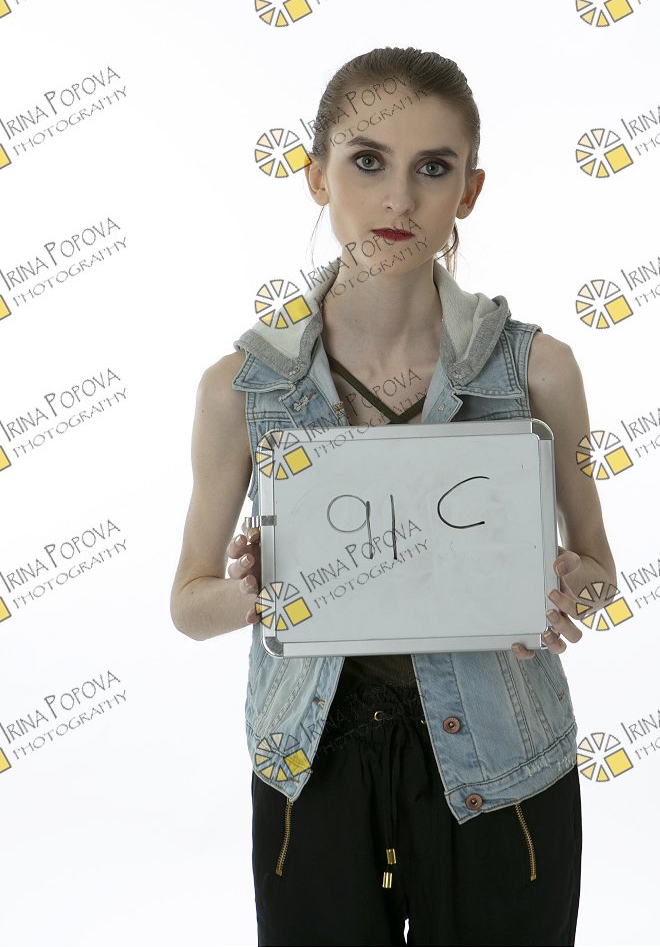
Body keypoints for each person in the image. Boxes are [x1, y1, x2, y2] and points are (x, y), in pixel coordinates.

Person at [170, 47, 617, 946]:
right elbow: (189, 604)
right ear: (316, 176)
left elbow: (600, 572)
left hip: (503, 761)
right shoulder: (242, 388)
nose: (399, 200)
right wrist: (258, 591)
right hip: (314, 766)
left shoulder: (539, 372)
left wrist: (572, 588)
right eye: (368, 161)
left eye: (434, 168)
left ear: (471, 190)